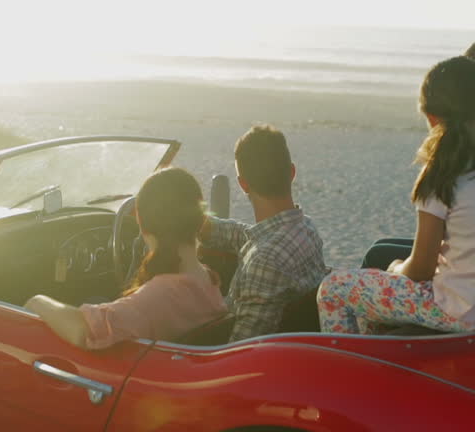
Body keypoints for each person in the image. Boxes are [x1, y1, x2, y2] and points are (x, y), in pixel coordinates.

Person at [318, 56, 475, 334]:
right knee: (373, 296)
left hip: (455, 310)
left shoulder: (443, 173)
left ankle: (350, 368)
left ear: (432, 117)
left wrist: (396, 269)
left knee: (333, 289)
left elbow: (421, 269)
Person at [24, 168, 227, 349]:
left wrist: (37, 301)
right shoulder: (209, 279)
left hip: (132, 382)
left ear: (142, 225)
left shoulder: (158, 297)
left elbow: (84, 331)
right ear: (200, 220)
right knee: (97, 301)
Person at [201, 125, 327, 342]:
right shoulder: (306, 229)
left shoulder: (264, 261)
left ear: (243, 185)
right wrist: (197, 225)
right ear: (292, 172)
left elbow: (240, 347)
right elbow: (249, 236)